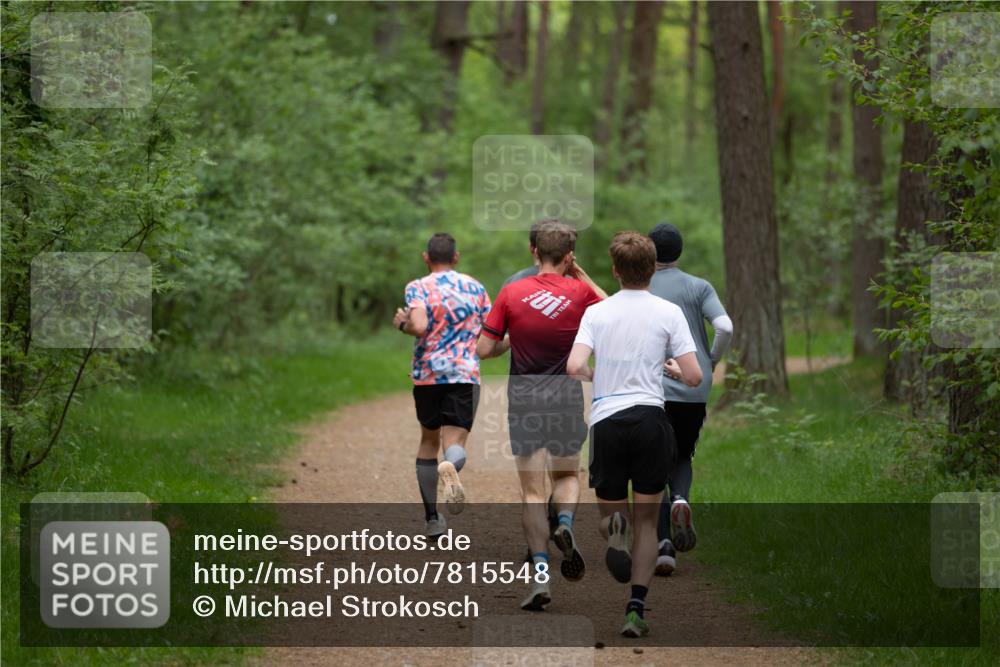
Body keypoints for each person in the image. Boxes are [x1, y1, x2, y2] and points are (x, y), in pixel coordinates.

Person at [566, 232, 702, 638]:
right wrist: (670, 369)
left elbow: (574, 366)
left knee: (612, 517)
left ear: (615, 270)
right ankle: (635, 609)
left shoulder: (598, 313)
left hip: (608, 420)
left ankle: (614, 531)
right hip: (651, 422)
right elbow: (694, 377)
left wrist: (597, 375)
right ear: (652, 269)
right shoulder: (668, 311)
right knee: (647, 523)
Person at [477, 221, 607, 611]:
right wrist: (581, 274)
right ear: (569, 256)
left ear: (534, 251)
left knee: (532, 492)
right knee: (567, 475)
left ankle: (539, 576)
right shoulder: (583, 293)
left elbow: (484, 349)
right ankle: (564, 524)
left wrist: (514, 333)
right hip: (566, 397)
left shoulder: (511, 293)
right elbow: (618, 310)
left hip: (525, 400)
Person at [647, 223, 733, 576]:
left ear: (651, 254)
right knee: (683, 454)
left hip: (651, 387)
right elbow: (725, 326)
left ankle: (664, 546)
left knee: (653, 462)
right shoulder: (700, 287)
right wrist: (710, 361)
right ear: (679, 253)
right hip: (693, 385)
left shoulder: (640, 287)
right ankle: (681, 499)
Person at [393, 233, 491, 539]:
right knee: (454, 443)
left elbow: (418, 326)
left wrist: (401, 323)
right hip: (463, 373)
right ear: (456, 257)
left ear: (426, 257)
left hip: (428, 375)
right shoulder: (475, 287)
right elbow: (490, 335)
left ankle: (433, 519)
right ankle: (450, 466)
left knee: (428, 440)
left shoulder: (417, 287)